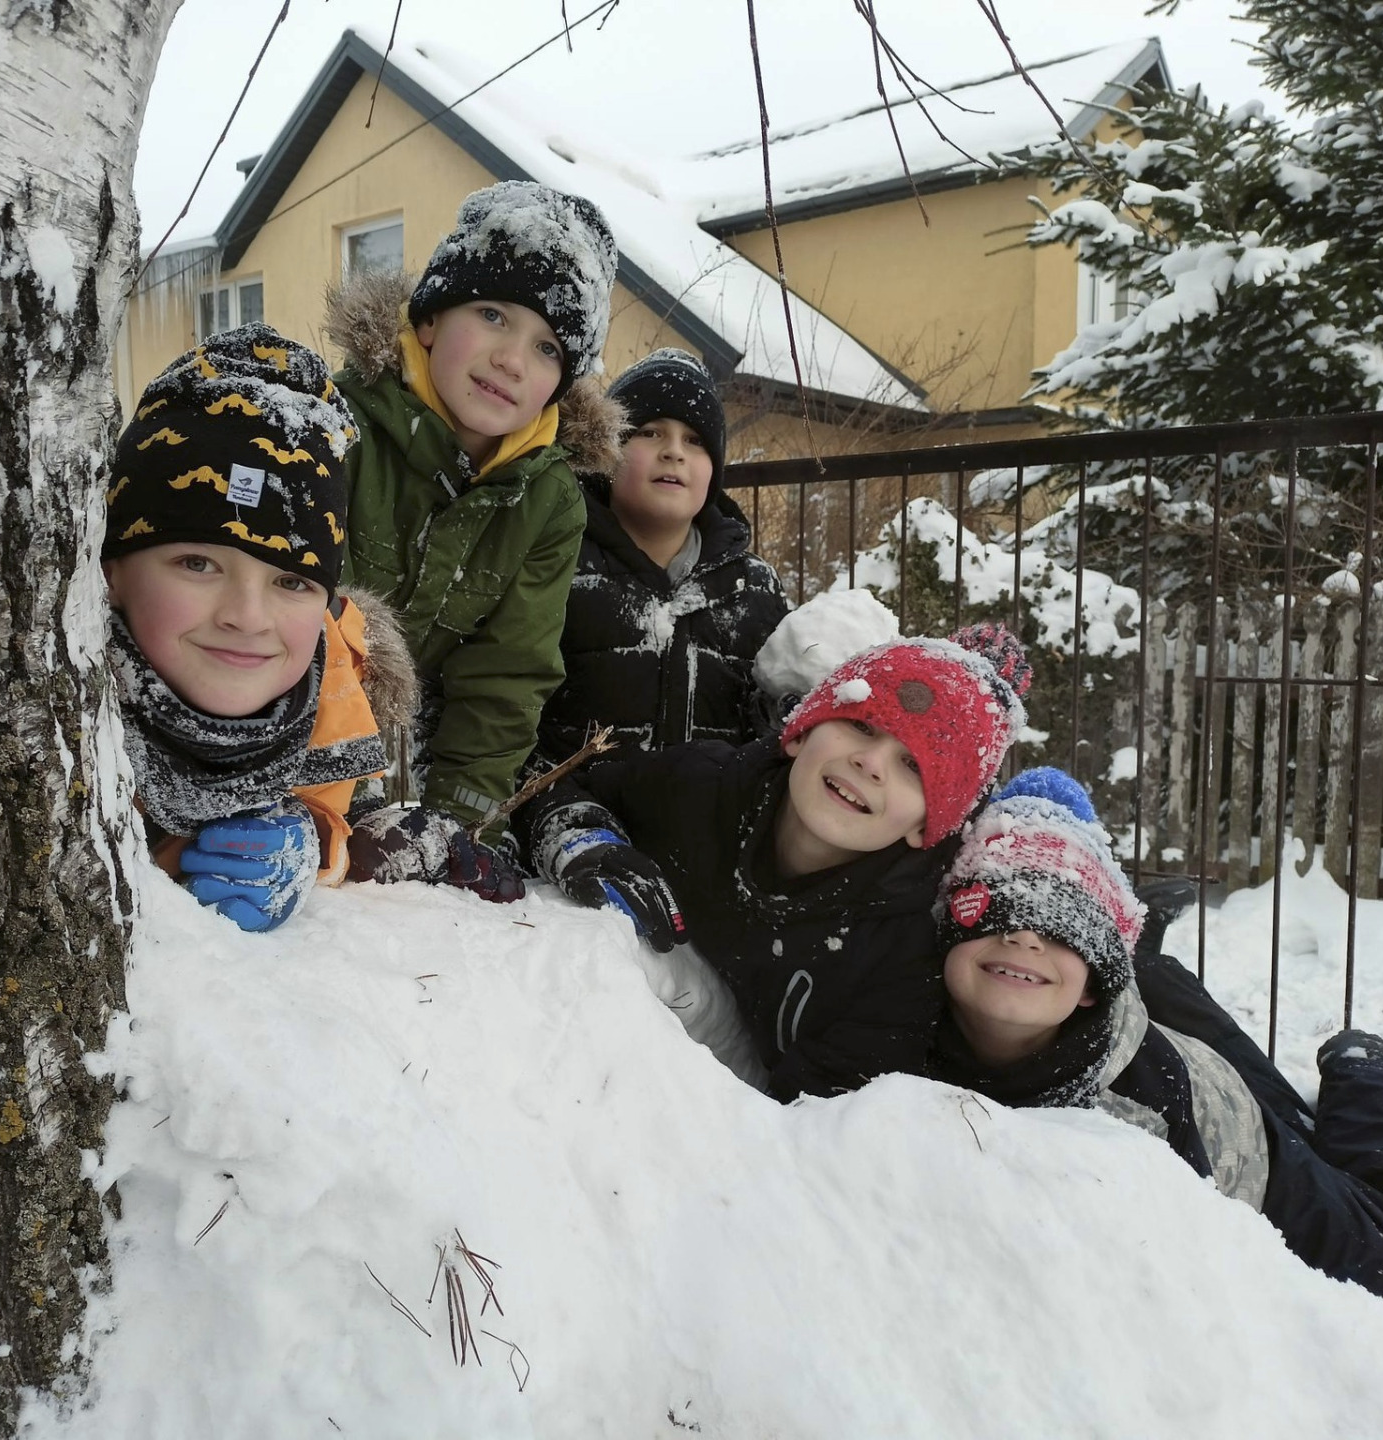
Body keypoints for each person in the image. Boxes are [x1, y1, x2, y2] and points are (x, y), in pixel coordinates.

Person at [931, 767, 1383, 1337]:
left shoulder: (1132, 1116)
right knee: (1180, 1010)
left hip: (1259, 1168)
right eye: (1001, 908)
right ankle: (1140, 952)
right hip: (1193, 1064)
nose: (1026, 937)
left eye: (1064, 925)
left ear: (1097, 981)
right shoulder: (896, 1013)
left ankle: (1371, 1073)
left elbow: (1193, 1277)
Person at [518, 626, 1032, 1101]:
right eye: (861, 725)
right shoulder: (699, 788)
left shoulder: (899, 960)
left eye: (914, 766)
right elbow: (555, 789)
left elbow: (814, 1132)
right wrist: (584, 841)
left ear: (928, 825)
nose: (870, 763)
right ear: (802, 731)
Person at [322, 180, 623, 902]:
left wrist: (453, 827)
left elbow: (507, 674)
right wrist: (354, 802)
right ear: (427, 320)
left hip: (421, 761)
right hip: (307, 753)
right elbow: (301, 630)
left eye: (548, 347)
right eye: (493, 315)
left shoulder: (547, 498)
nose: (513, 360)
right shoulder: (334, 429)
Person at [102, 324, 414, 931]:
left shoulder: (331, 688)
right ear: (113, 572)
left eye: (291, 581)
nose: (246, 616)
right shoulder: (54, 704)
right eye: (198, 564)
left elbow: (334, 807)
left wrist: (307, 834)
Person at [534, 347, 790, 765]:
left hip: (708, 824)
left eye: (695, 440)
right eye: (649, 432)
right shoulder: (557, 561)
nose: (674, 451)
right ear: (608, 449)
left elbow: (768, 730)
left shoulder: (754, 586)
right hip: (573, 818)